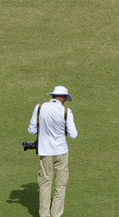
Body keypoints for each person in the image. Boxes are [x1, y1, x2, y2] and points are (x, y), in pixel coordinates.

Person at [27, 86, 78, 217]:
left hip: (44, 152)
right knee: (60, 185)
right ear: (64, 98)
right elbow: (73, 135)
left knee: (45, 184)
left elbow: (32, 130)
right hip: (61, 152)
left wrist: (44, 129)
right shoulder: (66, 111)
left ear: (53, 96)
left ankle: (44, 215)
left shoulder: (39, 107)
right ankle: (55, 215)